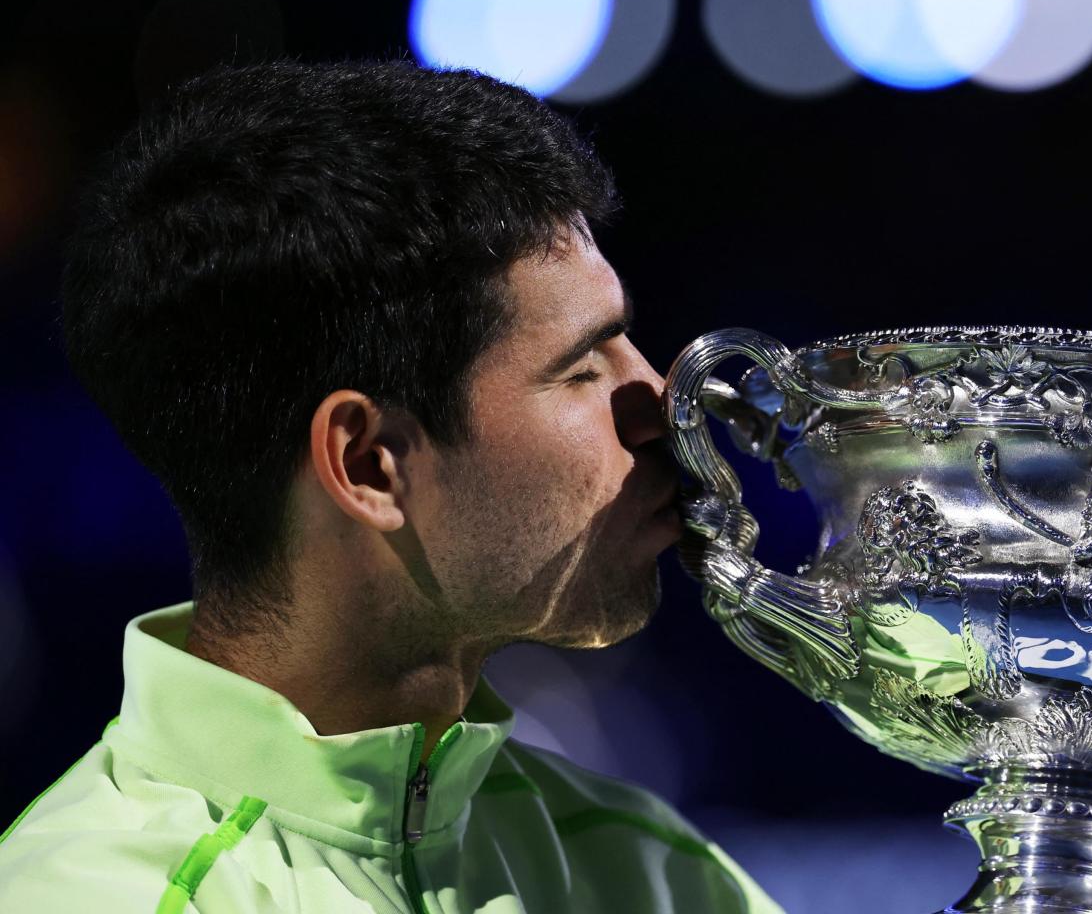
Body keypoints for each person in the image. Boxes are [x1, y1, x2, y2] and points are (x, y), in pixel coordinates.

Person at [0, 58, 783, 914]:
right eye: (584, 367)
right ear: (371, 464)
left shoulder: (656, 875)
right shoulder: (88, 896)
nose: (666, 407)